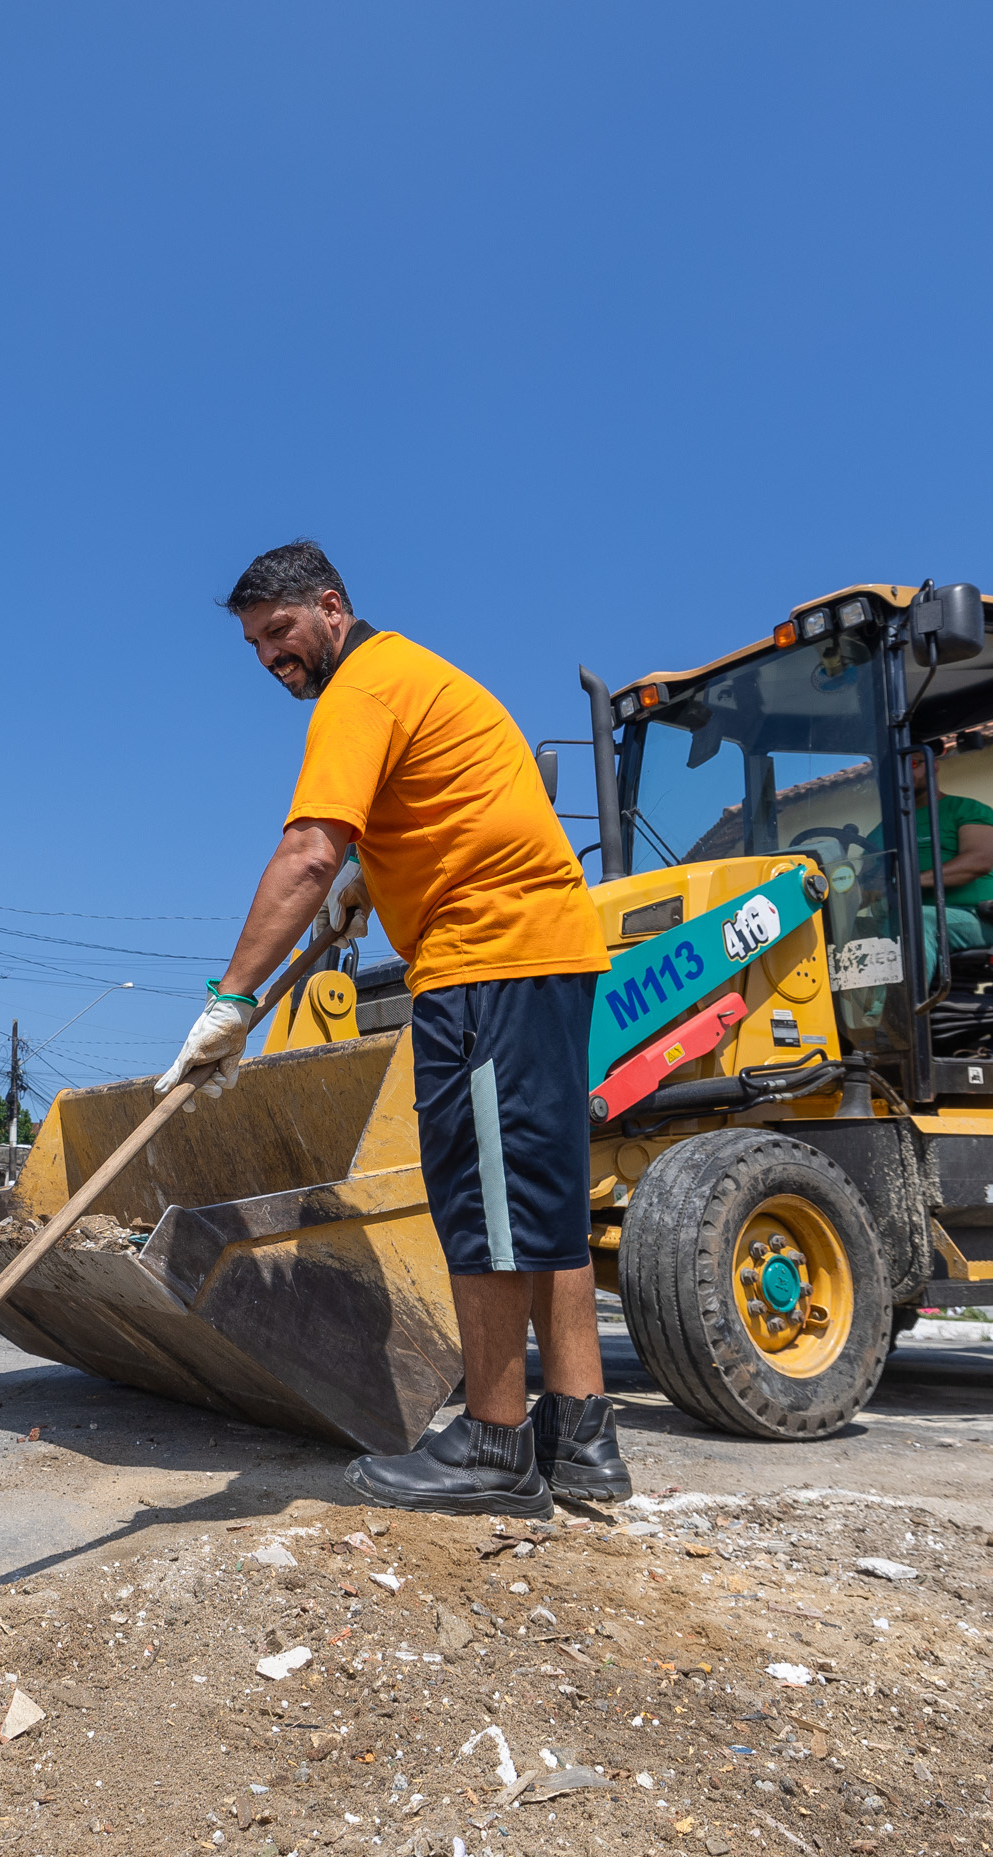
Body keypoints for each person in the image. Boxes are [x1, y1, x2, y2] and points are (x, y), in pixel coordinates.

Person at [161, 542, 619, 1517]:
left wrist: (231, 1000)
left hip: (490, 961)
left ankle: (496, 1445)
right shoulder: (413, 674)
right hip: (537, 952)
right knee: (540, 1203)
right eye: (253, 645)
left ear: (332, 608)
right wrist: (381, 877)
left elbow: (306, 851)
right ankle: (581, 1440)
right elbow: (455, 809)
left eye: (279, 633)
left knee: (486, 1206)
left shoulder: (361, 691)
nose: (269, 657)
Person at [869, 742, 993, 966]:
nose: (901, 773)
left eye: (912, 763)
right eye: (892, 769)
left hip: (969, 917)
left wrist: (904, 882)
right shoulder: (883, 830)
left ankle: (901, 1001)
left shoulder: (967, 810)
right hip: (898, 918)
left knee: (914, 921)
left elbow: (978, 862)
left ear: (933, 766)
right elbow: (866, 881)